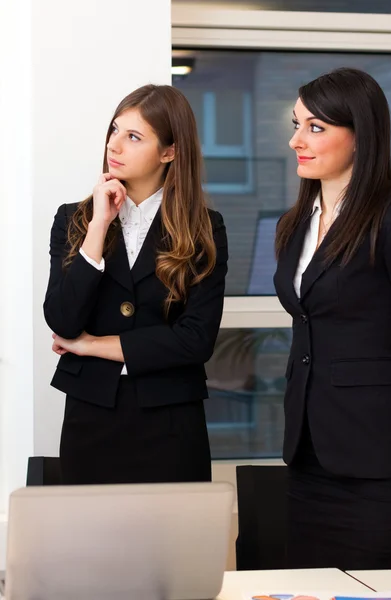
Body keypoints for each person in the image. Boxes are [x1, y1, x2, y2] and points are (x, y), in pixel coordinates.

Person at [273, 68, 391, 570]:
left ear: (360, 135)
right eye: (297, 125)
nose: (297, 140)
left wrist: (377, 383)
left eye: (315, 128)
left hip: (382, 464)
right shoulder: (294, 223)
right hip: (310, 459)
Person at [44, 84, 228, 485]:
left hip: (172, 420)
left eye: (133, 137)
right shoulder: (74, 220)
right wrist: (98, 226)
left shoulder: (204, 229)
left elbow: (195, 340)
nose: (115, 145)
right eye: (114, 130)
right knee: (93, 544)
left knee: (174, 545)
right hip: (91, 415)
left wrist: (91, 346)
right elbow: (61, 318)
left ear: (170, 151)